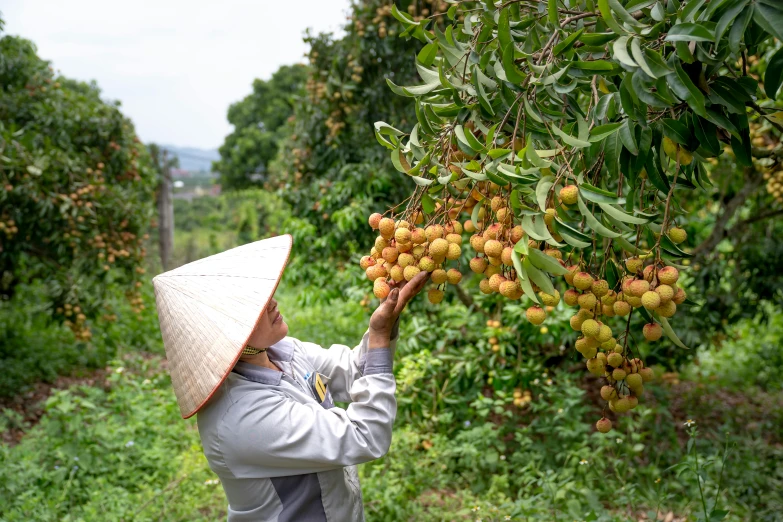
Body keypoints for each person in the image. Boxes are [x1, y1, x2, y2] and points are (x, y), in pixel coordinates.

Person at [152, 234, 429, 521]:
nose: (272, 302)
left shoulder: (282, 353)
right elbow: (364, 434)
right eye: (255, 307)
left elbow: (354, 370)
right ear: (232, 337)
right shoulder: (240, 417)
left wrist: (387, 319)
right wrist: (380, 338)